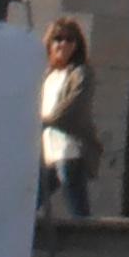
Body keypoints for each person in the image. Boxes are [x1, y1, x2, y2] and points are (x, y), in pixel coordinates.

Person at [39, 17, 101, 221]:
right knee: (31, 200)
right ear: (50, 43)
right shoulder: (49, 76)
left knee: (77, 208)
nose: (63, 44)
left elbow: (74, 105)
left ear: (77, 45)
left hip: (70, 150)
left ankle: (87, 247)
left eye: (70, 39)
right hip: (50, 152)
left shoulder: (80, 73)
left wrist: (45, 121)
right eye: (58, 39)